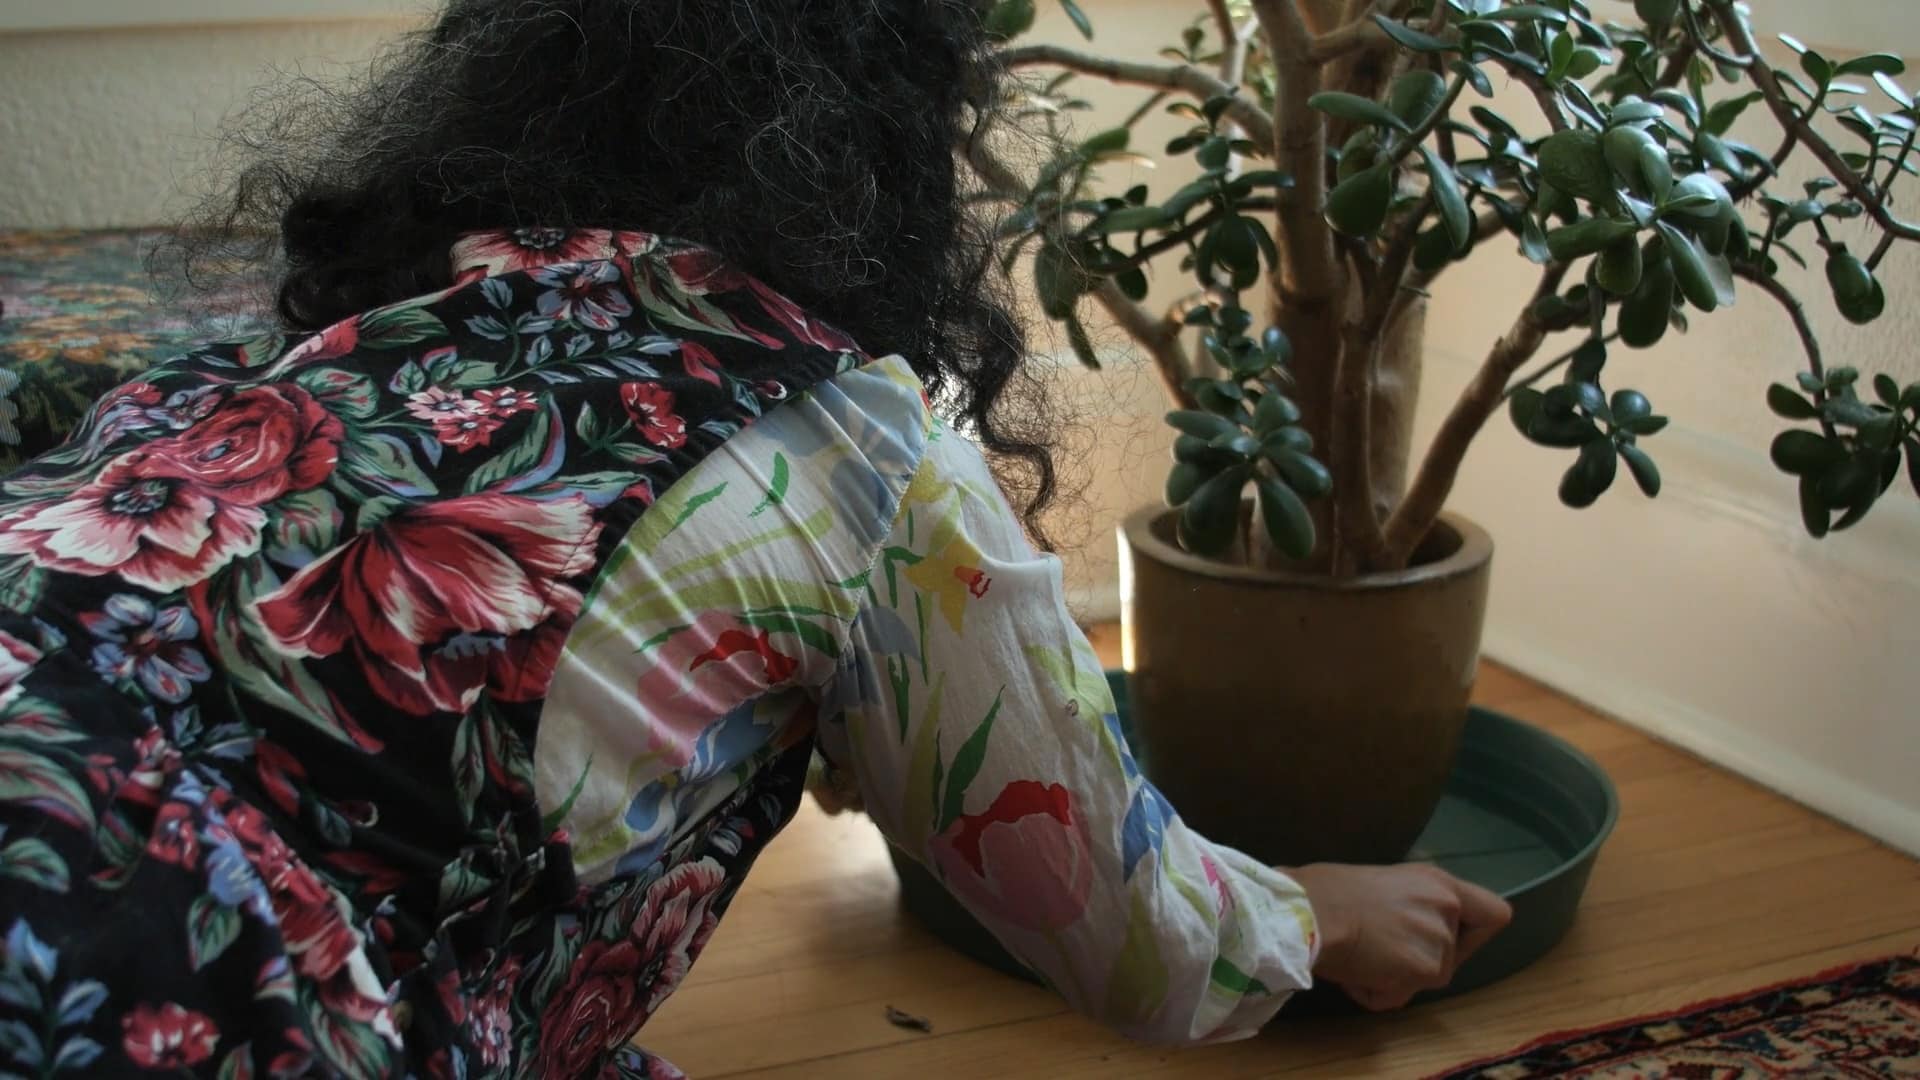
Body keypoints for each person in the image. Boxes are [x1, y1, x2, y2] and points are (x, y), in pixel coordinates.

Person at [0, 1, 1510, 1076]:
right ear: (890, 146)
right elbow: (1128, 931)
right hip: (129, 945)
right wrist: (1314, 918)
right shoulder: (858, 449)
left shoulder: (365, 327)